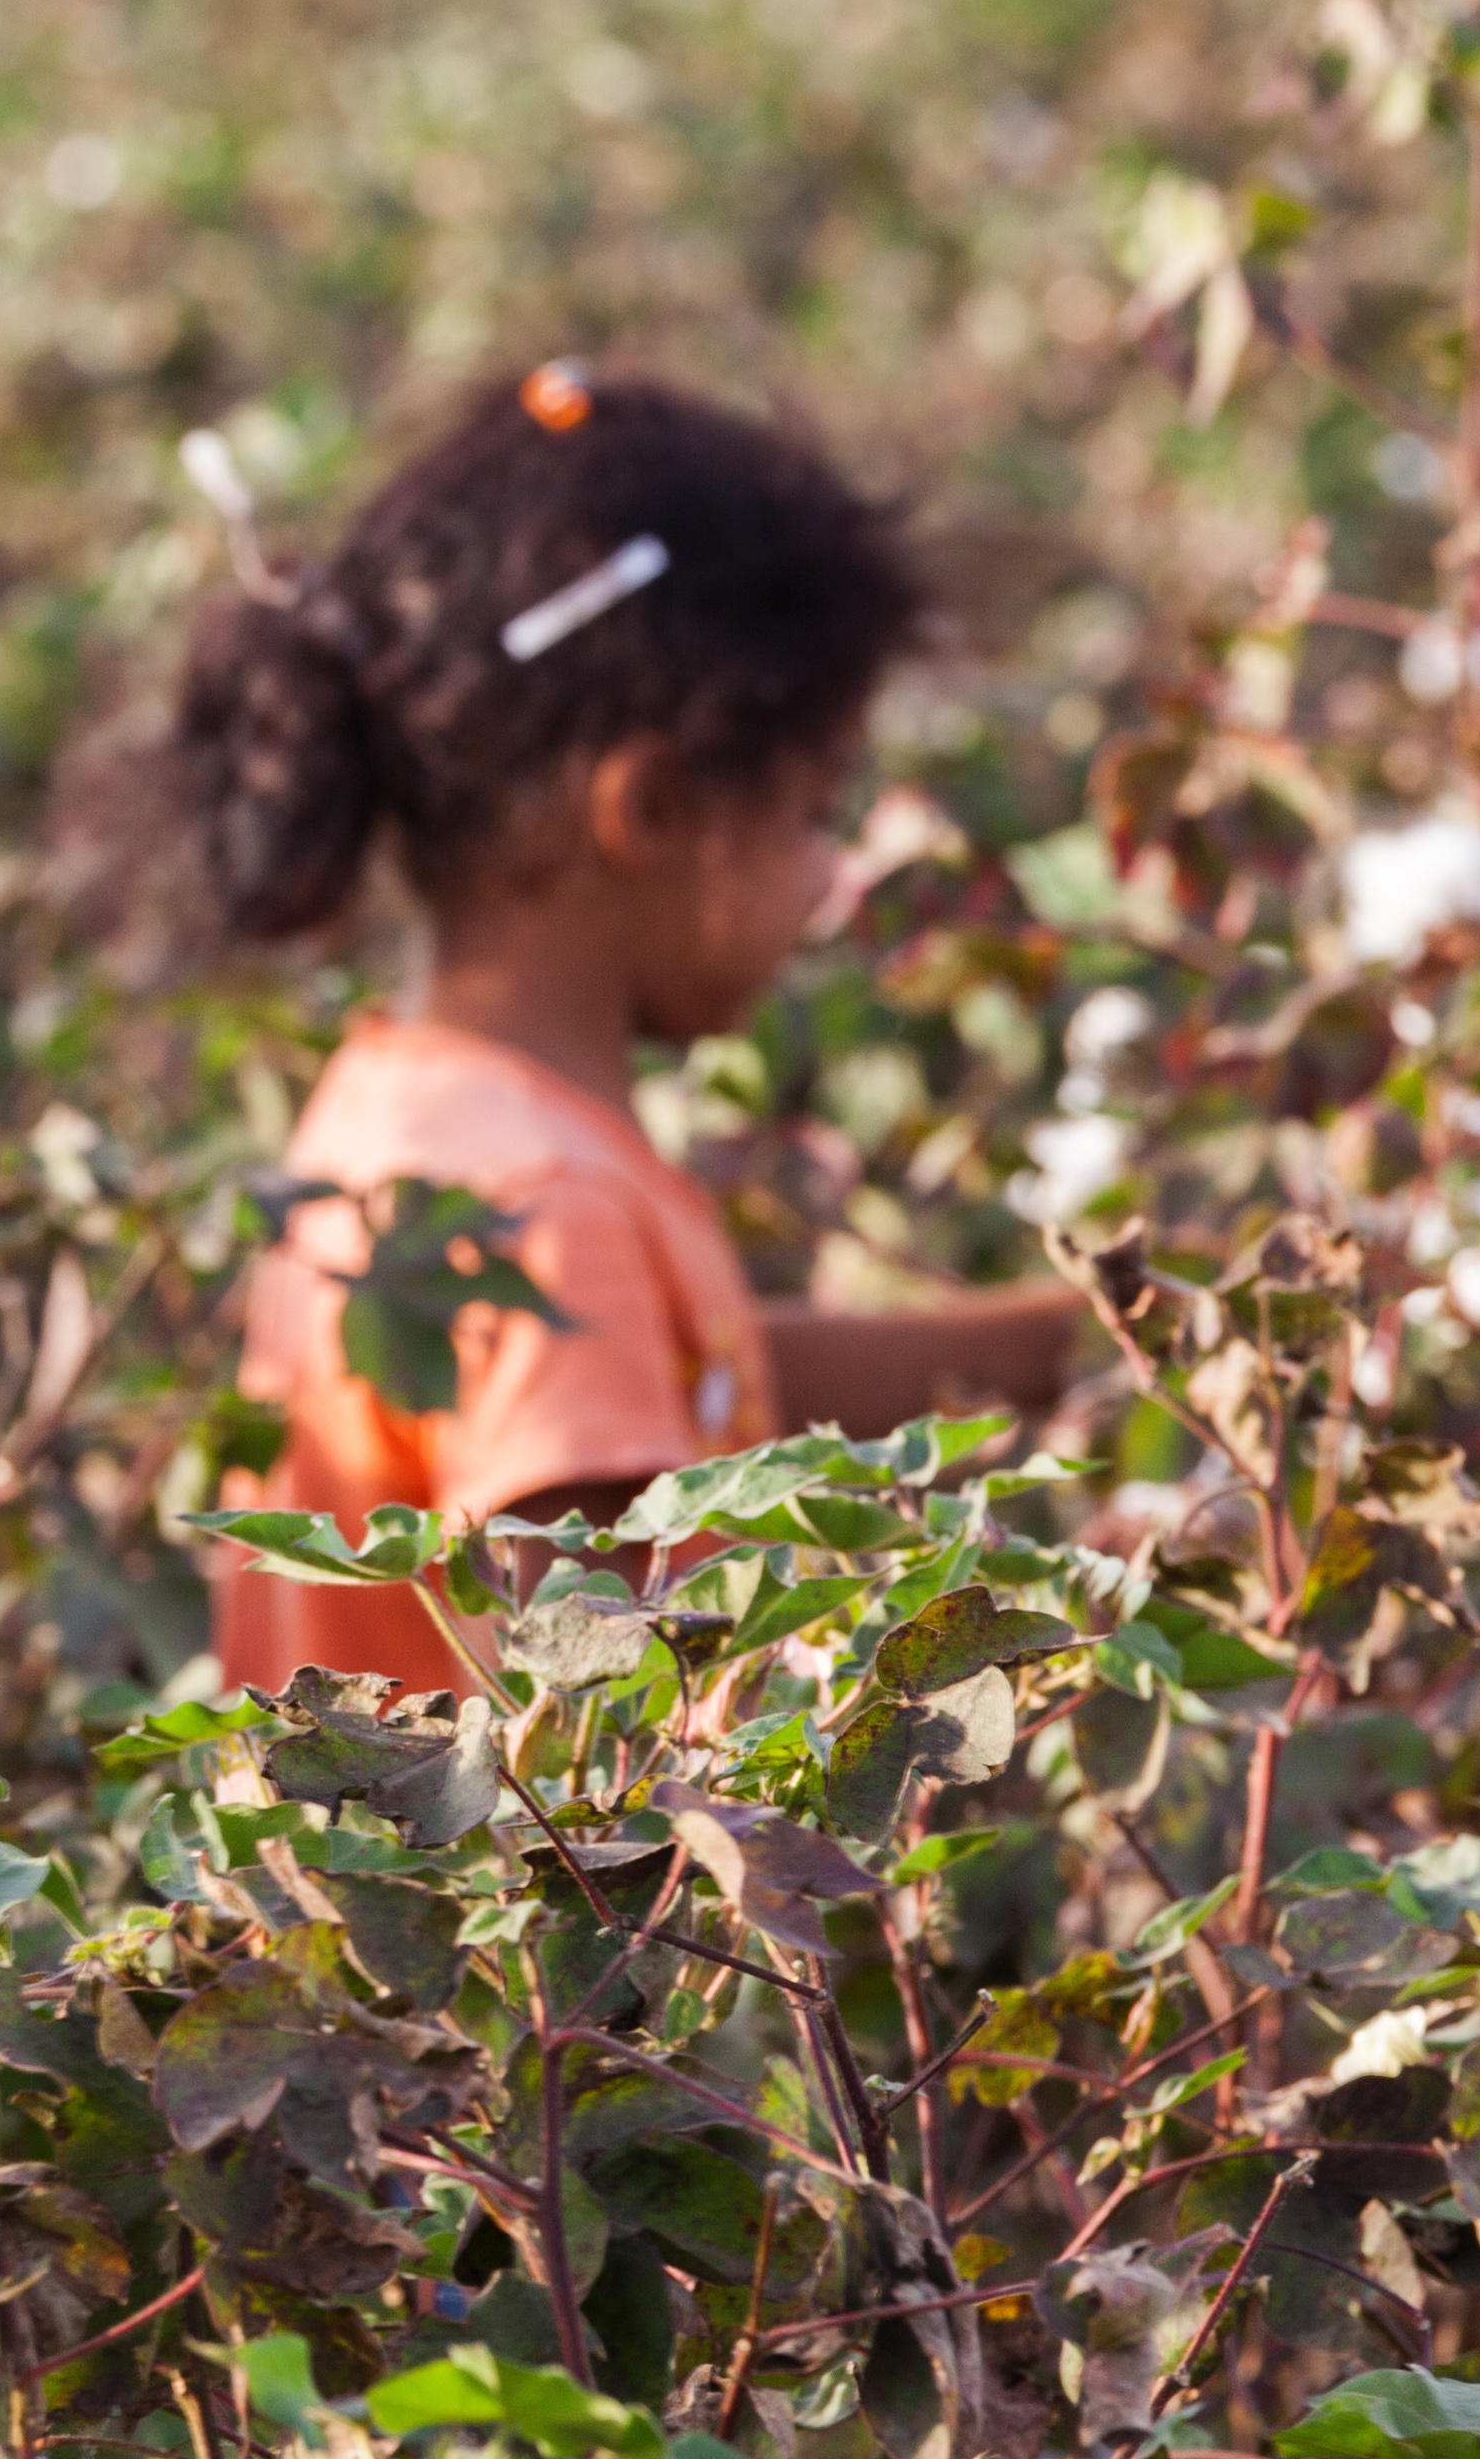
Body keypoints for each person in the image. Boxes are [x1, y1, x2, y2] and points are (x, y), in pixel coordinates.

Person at [177, 362, 1087, 1701]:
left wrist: (1102, 1340)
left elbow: (704, 1384)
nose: (831, 876)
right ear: (651, 809)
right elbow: (604, 1754)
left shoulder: (413, 1109)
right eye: (810, 811)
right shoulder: (546, 1201)